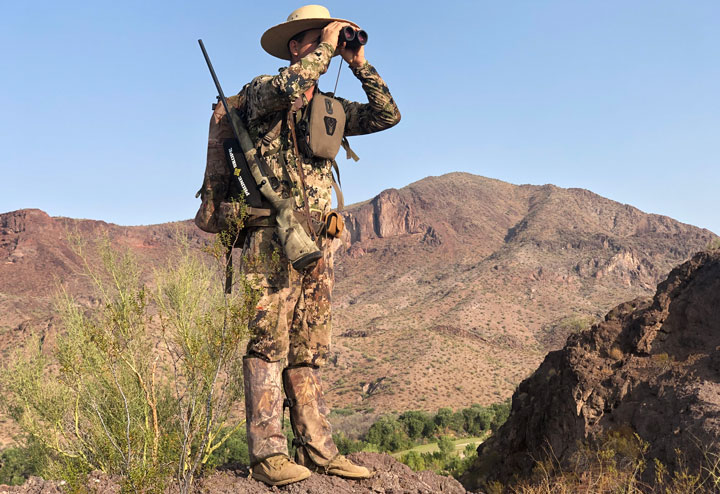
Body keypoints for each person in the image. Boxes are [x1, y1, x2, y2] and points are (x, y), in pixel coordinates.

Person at [238, 4, 401, 487]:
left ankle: (318, 451)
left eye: (330, 36)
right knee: (268, 343)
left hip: (318, 243)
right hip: (272, 239)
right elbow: (290, 86)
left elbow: (388, 115)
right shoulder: (263, 92)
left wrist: (359, 62)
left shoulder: (328, 111)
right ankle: (268, 456)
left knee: (308, 349)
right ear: (296, 46)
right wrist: (326, 46)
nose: (329, 42)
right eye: (316, 36)